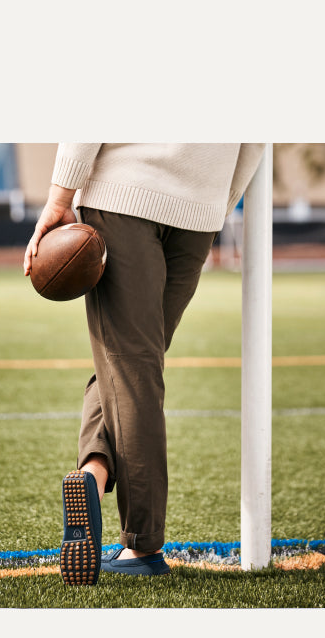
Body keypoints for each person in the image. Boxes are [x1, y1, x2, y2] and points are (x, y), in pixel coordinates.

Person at [24, 143, 263, 582]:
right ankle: (94, 473)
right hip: (199, 211)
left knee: (131, 371)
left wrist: (59, 199)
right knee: (134, 368)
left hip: (123, 194)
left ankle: (143, 546)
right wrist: (214, 206)